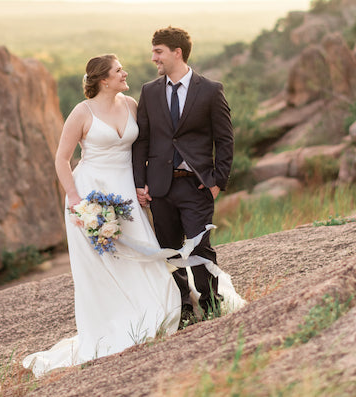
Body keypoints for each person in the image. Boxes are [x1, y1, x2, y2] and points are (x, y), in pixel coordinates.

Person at [22, 54, 182, 377]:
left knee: (144, 260)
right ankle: (112, 329)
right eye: (119, 70)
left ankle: (151, 317)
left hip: (127, 196)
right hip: (91, 197)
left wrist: (144, 184)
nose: (125, 72)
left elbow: (141, 150)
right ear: (103, 80)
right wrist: (78, 202)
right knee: (104, 270)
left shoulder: (131, 104)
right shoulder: (82, 113)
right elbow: (61, 159)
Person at [132, 26, 235, 324]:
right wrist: (141, 182)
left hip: (196, 186)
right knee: (170, 251)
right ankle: (184, 308)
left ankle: (211, 304)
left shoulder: (211, 90)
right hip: (161, 188)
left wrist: (217, 182)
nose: (154, 58)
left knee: (201, 246)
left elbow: (225, 140)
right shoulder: (149, 91)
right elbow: (143, 140)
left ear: (177, 52)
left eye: (159, 51)